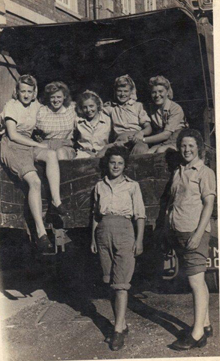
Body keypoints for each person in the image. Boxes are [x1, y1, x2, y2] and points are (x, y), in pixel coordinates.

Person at [0, 75, 69, 254]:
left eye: (29, 91)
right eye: (22, 91)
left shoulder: (35, 105)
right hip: (13, 147)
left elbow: (56, 109)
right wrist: (39, 144)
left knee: (51, 154)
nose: (26, 94)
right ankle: (40, 232)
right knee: (35, 181)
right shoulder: (11, 106)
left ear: (34, 92)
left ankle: (56, 200)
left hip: (29, 144)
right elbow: (13, 135)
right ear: (17, 91)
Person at [91, 146, 146, 351]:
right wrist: (93, 239)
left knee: (121, 284)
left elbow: (140, 215)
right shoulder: (99, 186)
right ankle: (121, 323)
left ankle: (117, 331)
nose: (116, 166)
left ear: (125, 166)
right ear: (108, 163)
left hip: (124, 233)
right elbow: (95, 216)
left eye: (120, 163)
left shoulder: (133, 186)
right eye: (113, 162)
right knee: (110, 283)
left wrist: (138, 241)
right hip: (103, 234)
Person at [166, 129, 216, 350]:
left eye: (191, 146)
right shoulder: (179, 171)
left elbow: (209, 205)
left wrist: (198, 234)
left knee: (195, 281)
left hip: (195, 233)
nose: (187, 150)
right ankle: (205, 324)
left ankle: (196, 335)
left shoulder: (204, 172)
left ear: (199, 148)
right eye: (183, 146)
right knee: (198, 280)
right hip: (180, 232)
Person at [132, 75, 187, 153]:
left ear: (167, 92)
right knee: (147, 154)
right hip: (162, 142)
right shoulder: (152, 108)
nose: (157, 95)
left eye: (160, 91)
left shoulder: (175, 108)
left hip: (177, 140)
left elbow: (166, 134)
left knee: (161, 151)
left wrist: (143, 139)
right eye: (154, 92)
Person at [103, 74, 152, 155]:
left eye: (126, 91)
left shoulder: (138, 106)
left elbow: (148, 128)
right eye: (119, 91)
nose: (122, 94)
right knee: (103, 153)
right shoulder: (111, 108)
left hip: (136, 139)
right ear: (115, 91)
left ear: (131, 92)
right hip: (120, 141)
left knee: (141, 149)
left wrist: (140, 133)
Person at [36, 81, 76, 160]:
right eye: (52, 97)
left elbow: (91, 104)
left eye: (59, 97)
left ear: (64, 96)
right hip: (46, 145)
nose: (55, 100)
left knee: (60, 153)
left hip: (65, 146)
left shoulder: (72, 108)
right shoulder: (42, 111)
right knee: (51, 155)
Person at [74, 90, 112, 158]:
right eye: (85, 107)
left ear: (97, 105)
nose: (88, 110)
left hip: (103, 154)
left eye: (91, 106)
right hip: (83, 154)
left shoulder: (107, 120)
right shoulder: (78, 121)